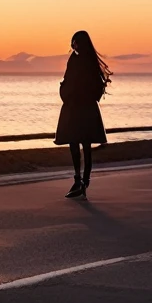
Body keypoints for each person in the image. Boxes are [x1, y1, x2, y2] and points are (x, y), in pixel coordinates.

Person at [55, 30, 111, 199]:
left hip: (77, 107)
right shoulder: (86, 60)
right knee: (82, 146)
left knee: (78, 144)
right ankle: (82, 181)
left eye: (75, 42)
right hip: (83, 107)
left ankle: (80, 181)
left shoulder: (78, 60)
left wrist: (65, 92)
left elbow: (68, 81)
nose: (73, 46)